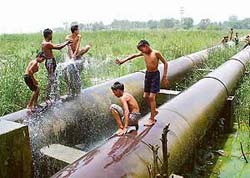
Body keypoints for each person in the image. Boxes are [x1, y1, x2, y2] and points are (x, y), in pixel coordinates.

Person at [115, 40, 168, 126]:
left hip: (155, 75)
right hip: (148, 75)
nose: (142, 51)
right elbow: (133, 56)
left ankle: (152, 118)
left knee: (151, 97)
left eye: (142, 49)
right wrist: (122, 61)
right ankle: (154, 110)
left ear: (146, 46)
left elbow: (165, 63)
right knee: (145, 96)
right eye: (140, 50)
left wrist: (164, 76)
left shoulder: (156, 53)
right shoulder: (143, 53)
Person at [41, 28, 72, 101]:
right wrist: (67, 43)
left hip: (50, 61)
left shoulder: (45, 42)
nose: (52, 36)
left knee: (53, 78)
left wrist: (65, 42)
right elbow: (59, 47)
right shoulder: (47, 43)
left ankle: (51, 96)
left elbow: (56, 45)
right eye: (51, 34)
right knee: (52, 79)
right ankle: (49, 97)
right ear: (48, 35)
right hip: (50, 62)